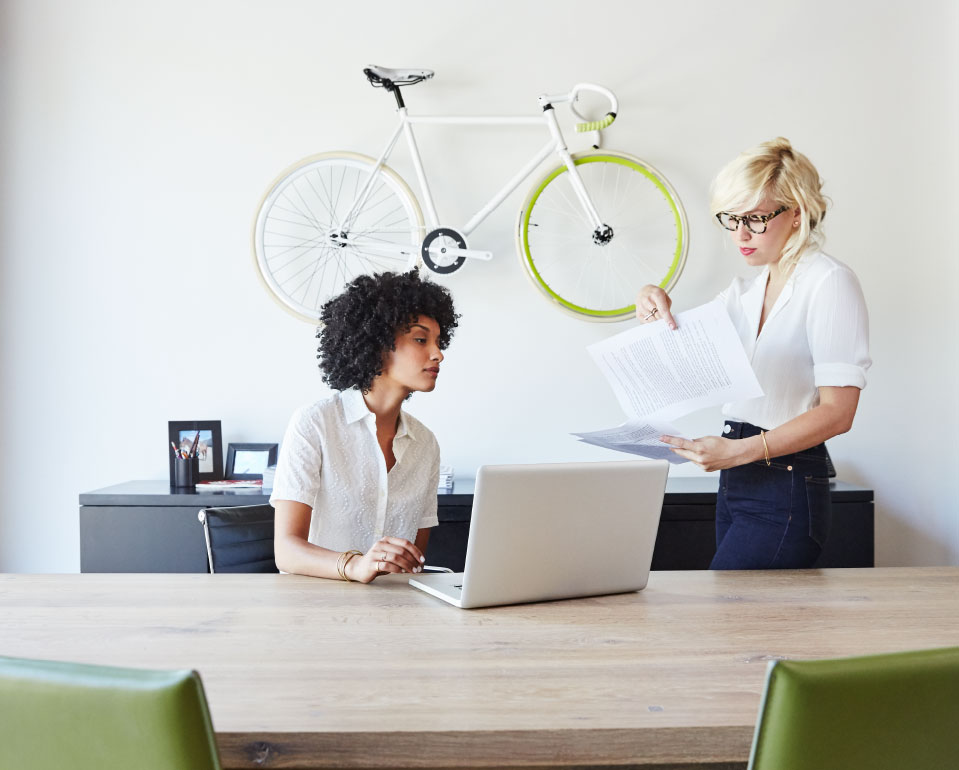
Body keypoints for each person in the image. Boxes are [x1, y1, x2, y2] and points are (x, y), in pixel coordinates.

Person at [635, 138, 870, 569]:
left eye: (756, 219)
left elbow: (839, 412)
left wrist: (738, 452)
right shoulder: (744, 292)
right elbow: (685, 360)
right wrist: (653, 304)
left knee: (732, 620)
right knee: (745, 630)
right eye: (731, 218)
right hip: (736, 477)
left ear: (797, 212)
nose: (739, 234)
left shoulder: (829, 282)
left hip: (786, 481)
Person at [271, 270, 458, 582]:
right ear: (377, 344)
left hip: (394, 612)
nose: (438, 354)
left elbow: (414, 564)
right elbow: (287, 551)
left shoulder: (425, 443)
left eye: (438, 342)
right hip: (315, 611)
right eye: (421, 339)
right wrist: (356, 565)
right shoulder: (315, 424)